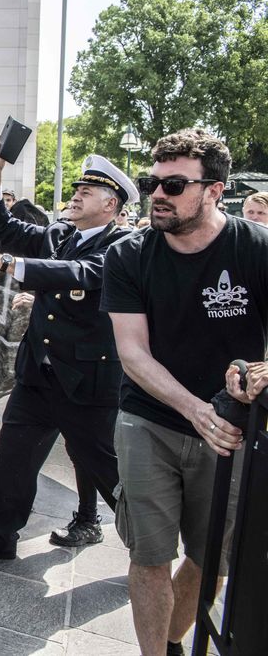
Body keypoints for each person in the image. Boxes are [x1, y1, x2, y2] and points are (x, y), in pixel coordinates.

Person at [101, 128, 268, 656]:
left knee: (209, 556)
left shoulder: (257, 247)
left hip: (233, 430)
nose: (157, 194)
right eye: (154, 181)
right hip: (149, 419)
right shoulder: (128, 255)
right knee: (150, 556)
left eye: (174, 184)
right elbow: (133, 353)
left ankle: (173, 643)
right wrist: (198, 411)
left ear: (214, 190)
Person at [0, 148, 136, 562]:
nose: (76, 196)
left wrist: (11, 264)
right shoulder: (58, 234)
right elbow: (2, 224)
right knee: (13, 455)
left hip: (87, 382)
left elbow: (84, 274)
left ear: (111, 204)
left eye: (86, 191)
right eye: (77, 189)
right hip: (38, 375)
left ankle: (148, 547)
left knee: (107, 469)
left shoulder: (124, 244)